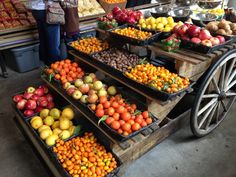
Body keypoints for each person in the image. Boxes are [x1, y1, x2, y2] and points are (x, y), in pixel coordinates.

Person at [27, 0, 61, 65]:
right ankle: (55, 67)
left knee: (44, 39)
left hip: (36, 10)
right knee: (53, 42)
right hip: (48, 10)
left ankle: (47, 65)